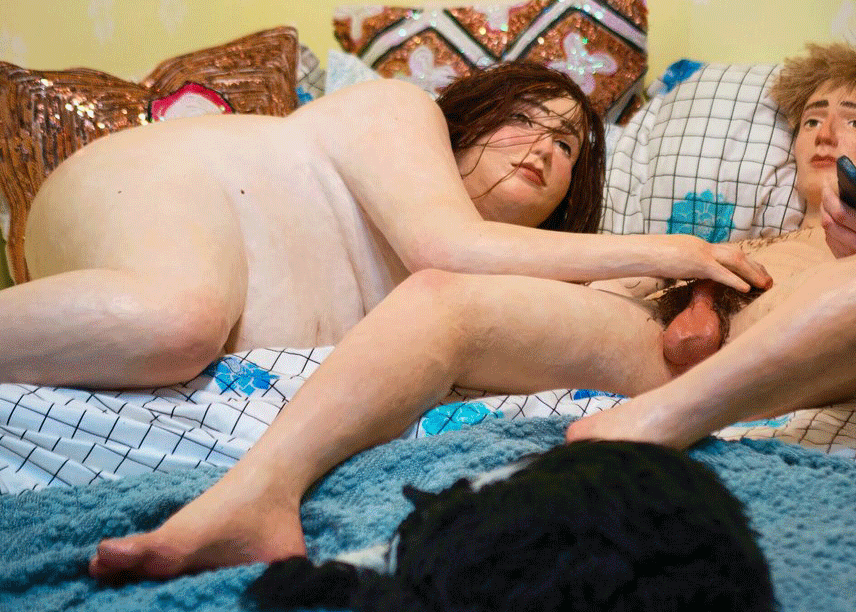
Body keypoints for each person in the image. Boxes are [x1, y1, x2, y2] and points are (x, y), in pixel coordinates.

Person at [87, 36, 856, 583]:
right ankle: (255, 495)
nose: (828, 131)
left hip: (790, 353)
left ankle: (657, 426)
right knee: (443, 297)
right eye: (813, 120)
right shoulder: (733, 237)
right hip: (643, 339)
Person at [0, 61, 768, 389]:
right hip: (155, 186)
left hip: (205, 274)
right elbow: (446, 243)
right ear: (466, 123)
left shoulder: (503, 281)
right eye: (524, 119)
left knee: (184, 324)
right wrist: (673, 248)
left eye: (566, 146)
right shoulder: (400, 110)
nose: (541, 146)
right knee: (178, 320)